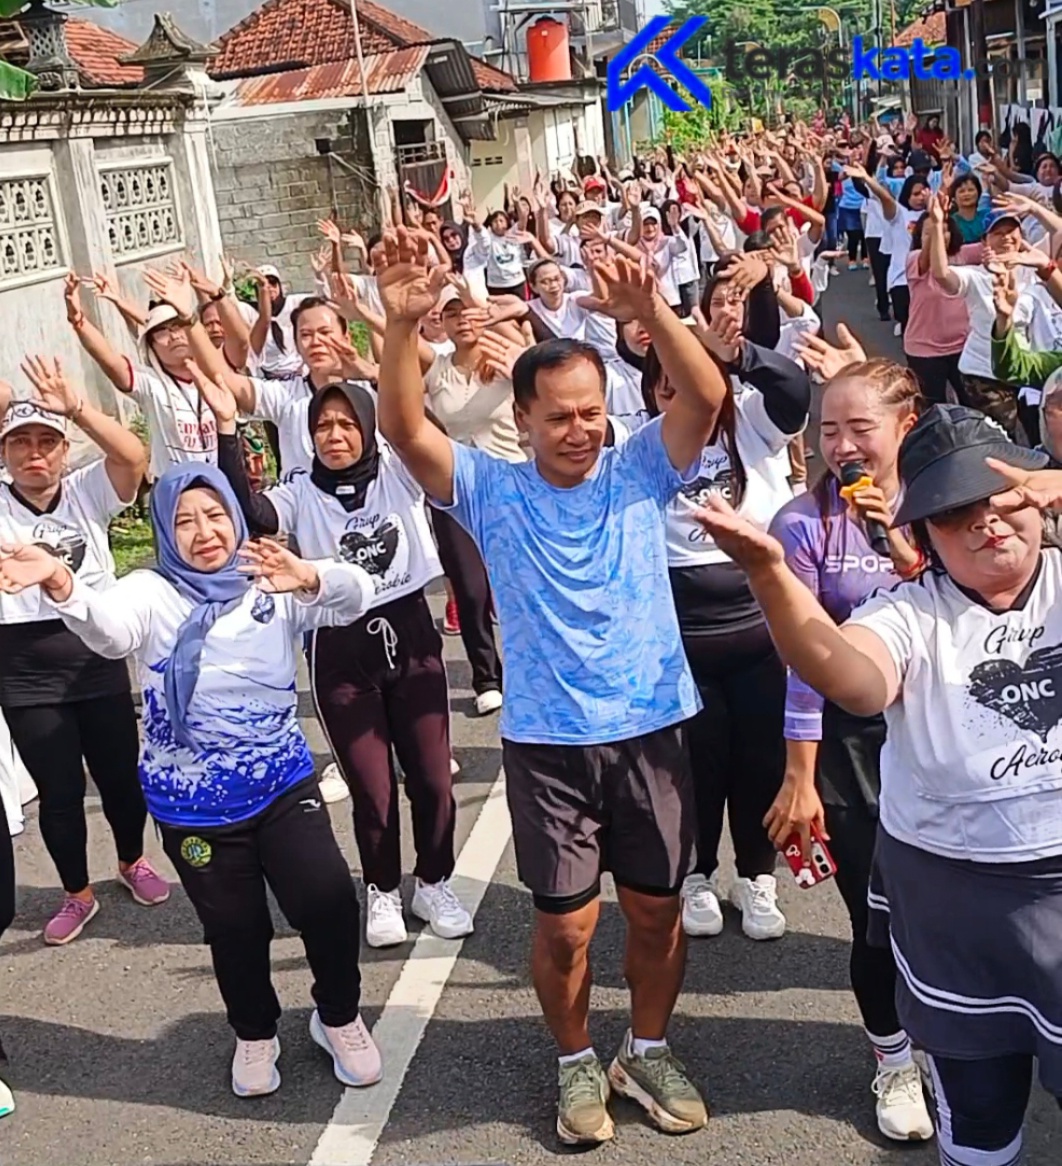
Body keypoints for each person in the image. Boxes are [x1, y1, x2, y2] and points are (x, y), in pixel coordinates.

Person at [376, 229, 729, 1144]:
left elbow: (708, 393)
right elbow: (406, 429)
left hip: (654, 727)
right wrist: (401, 328)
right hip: (548, 742)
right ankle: (577, 1062)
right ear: (521, 418)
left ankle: (645, 1049)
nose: (578, 430)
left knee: (655, 912)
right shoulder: (490, 490)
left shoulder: (642, 467)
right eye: (557, 416)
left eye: (589, 412)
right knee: (567, 928)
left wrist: (650, 309)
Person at [693, 404, 1062, 1166]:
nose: (989, 525)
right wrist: (769, 576)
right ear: (923, 535)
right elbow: (849, 677)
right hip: (955, 896)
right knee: (981, 1109)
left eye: (1006, 502)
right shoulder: (908, 612)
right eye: (958, 515)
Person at [0, 462, 384, 1096]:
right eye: (183, 520)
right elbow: (109, 630)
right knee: (234, 929)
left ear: (235, 516)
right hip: (193, 807)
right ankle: (255, 1033)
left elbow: (356, 592)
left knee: (329, 903)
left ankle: (337, 1016)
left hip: (282, 786)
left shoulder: (267, 575)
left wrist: (310, 576)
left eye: (214, 515)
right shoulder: (152, 590)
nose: (203, 531)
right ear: (162, 531)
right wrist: (63, 582)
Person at [204, 372, 473, 948]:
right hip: (339, 648)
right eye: (322, 426)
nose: (334, 435)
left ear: (369, 427)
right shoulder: (301, 489)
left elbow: (423, 434)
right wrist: (228, 429)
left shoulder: (400, 472)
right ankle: (382, 890)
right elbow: (246, 512)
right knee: (371, 788)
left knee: (431, 779)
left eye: (347, 423)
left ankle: (433, 880)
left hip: (410, 633)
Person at [766, 353, 934, 1141]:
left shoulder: (949, 506)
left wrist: (902, 545)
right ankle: (892, 1055)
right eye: (829, 429)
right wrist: (800, 779)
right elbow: (804, 661)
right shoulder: (801, 525)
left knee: (948, 909)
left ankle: (948, 1041)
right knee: (877, 914)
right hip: (849, 749)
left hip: (941, 737)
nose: (842, 445)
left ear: (907, 425)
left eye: (860, 426)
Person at [661, 267, 810, 942]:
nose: (682, 394)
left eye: (694, 380)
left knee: (758, 759)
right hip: (681, 632)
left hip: (759, 627)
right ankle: (696, 875)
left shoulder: (747, 421)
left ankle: (757, 877)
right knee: (697, 761)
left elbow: (794, 393)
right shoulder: (644, 445)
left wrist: (739, 357)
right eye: (667, 383)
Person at [0, 359, 169, 945]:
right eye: (19, 443)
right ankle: (76, 892)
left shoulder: (86, 490)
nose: (34, 454)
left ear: (65, 450)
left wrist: (76, 407)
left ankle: (131, 861)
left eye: (46, 442)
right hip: (22, 668)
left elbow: (133, 458)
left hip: (94, 655)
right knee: (61, 792)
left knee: (121, 777)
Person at [67, 275, 218, 479]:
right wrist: (79, 321)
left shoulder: (216, 374)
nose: (174, 336)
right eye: (162, 333)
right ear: (151, 347)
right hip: (174, 489)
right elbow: (111, 362)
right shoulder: (151, 385)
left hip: (220, 484)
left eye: (178, 326)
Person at [904, 195, 981, 405]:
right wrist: (936, 222)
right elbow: (929, 256)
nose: (938, 235)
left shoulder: (964, 256)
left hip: (963, 347)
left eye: (944, 230)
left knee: (973, 407)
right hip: (924, 351)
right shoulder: (913, 259)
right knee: (933, 410)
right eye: (926, 232)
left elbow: (997, 243)